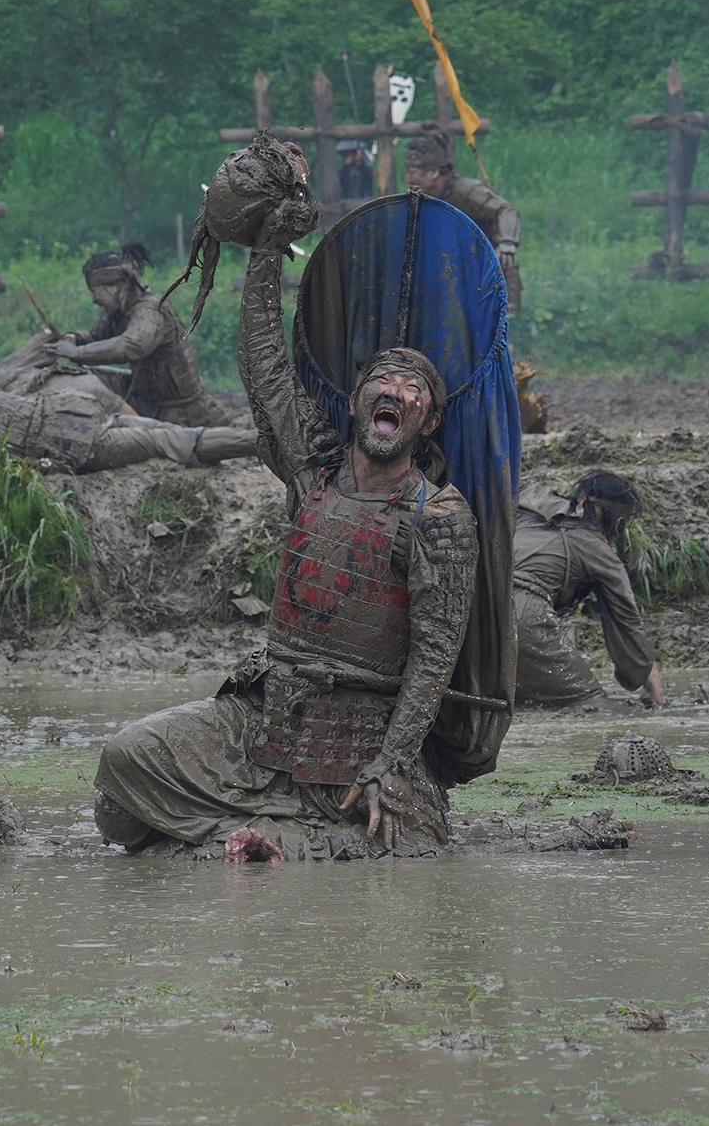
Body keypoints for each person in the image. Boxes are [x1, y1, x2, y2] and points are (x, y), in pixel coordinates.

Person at [91, 203, 480, 858]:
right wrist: (267, 251)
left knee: (394, 852)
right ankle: (245, 838)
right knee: (123, 774)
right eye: (382, 380)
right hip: (265, 715)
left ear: (428, 423)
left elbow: (433, 659)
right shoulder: (312, 475)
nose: (397, 391)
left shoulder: (438, 517)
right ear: (357, 402)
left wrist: (389, 764)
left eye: (414, 389)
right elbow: (266, 371)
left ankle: (266, 843)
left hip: (361, 734)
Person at [0, 332, 257, 480]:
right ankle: (253, 437)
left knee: (170, 443)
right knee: (159, 431)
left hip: (68, 443)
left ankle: (255, 444)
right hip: (74, 405)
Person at [513, 472, 667, 709]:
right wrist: (648, 673)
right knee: (590, 705)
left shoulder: (533, 497)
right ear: (618, 520)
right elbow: (627, 619)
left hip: (463, 603)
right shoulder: (597, 548)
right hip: (522, 615)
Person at [55, 244, 227, 426]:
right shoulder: (117, 312)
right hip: (151, 406)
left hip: (185, 415)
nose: (94, 300)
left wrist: (76, 353)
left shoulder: (150, 312)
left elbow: (131, 346)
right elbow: (97, 339)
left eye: (96, 292)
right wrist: (72, 338)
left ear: (116, 287)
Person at [404, 130, 523, 313]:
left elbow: (506, 211)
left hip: (489, 278)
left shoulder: (465, 191)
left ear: (434, 173)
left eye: (413, 172)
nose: (408, 179)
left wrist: (506, 243)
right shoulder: (423, 201)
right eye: (407, 172)